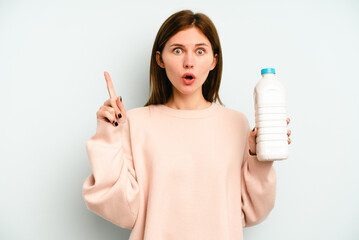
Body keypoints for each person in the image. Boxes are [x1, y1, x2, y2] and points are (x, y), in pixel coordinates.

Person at [82, 9, 291, 240]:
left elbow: (252, 211)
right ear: (160, 59)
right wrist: (108, 136)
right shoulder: (136, 123)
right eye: (178, 50)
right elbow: (121, 210)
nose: (189, 62)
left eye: (200, 51)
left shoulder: (236, 124)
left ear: (214, 60)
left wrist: (259, 156)